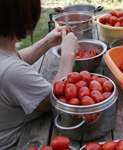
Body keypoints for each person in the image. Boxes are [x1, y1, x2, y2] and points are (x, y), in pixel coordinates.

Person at [0, 0, 79, 149]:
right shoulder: (11, 72)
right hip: (20, 142)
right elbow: (53, 101)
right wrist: (68, 54)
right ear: (23, 16)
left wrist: (47, 42)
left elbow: (16, 58)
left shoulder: (4, 55)